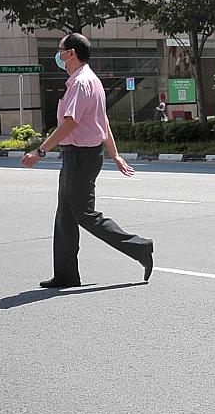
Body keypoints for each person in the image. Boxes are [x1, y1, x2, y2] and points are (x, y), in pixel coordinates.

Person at [21, 33, 154, 288]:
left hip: (81, 157)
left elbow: (71, 123)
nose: (57, 55)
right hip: (79, 156)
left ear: (71, 53)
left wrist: (40, 152)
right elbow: (102, 120)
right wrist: (114, 154)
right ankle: (66, 274)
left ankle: (140, 247)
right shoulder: (86, 81)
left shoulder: (82, 83)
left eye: (60, 50)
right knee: (65, 217)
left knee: (85, 215)